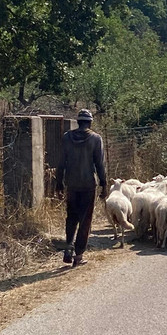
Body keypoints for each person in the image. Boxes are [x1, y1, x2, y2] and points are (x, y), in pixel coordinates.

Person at [57, 109, 107, 267]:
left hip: (71, 184)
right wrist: (104, 184)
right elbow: (99, 164)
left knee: (71, 217)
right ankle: (78, 256)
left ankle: (68, 247)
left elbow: (61, 163)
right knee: (85, 221)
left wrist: (58, 184)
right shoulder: (95, 139)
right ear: (90, 122)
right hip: (88, 185)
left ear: (78, 122)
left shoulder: (67, 137)